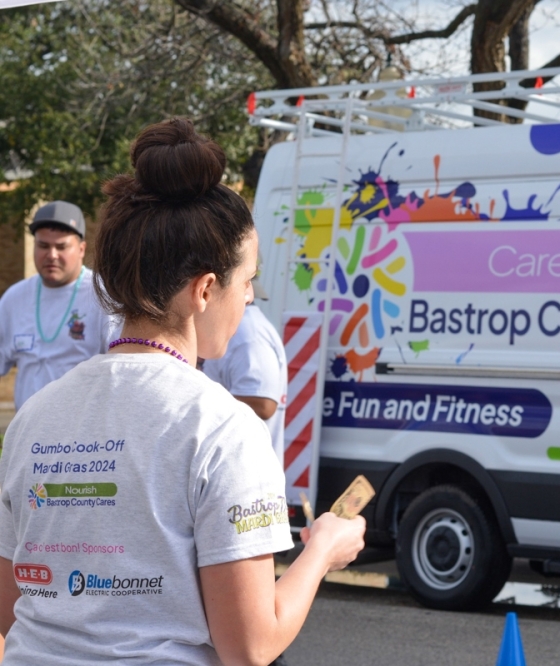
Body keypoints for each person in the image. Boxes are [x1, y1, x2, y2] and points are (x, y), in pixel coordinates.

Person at [0, 118, 365, 665]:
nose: (248, 302)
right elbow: (250, 646)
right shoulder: (224, 428)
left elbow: (14, 610)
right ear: (204, 289)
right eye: (248, 284)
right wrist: (321, 552)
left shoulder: (33, 417)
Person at [0, 200, 117, 410]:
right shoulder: (14, 299)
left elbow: (120, 366)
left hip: (83, 435)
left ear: (82, 249)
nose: (51, 255)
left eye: (61, 247)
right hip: (28, 432)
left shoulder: (102, 295)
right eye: (43, 246)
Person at [202, 277, 287, 463]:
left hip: (246, 475)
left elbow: (263, 405)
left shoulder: (249, 335)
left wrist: (196, 399)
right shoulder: (243, 331)